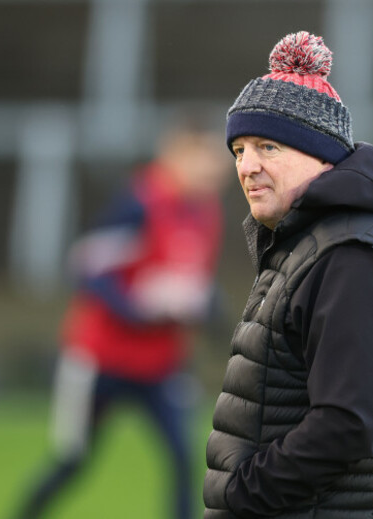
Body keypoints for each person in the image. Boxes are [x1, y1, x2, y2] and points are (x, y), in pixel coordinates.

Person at [203, 31, 373, 518]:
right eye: (239, 150)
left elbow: (347, 422)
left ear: (322, 155)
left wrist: (244, 492)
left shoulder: (350, 254)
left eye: (267, 147)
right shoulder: (321, 237)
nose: (247, 166)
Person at [15, 118, 230, 519]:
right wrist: (135, 308)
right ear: (176, 154)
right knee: (72, 460)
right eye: (205, 161)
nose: (215, 172)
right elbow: (86, 267)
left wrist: (210, 309)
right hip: (100, 361)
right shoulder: (140, 203)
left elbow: (194, 281)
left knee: (187, 458)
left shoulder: (206, 211)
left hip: (160, 365)